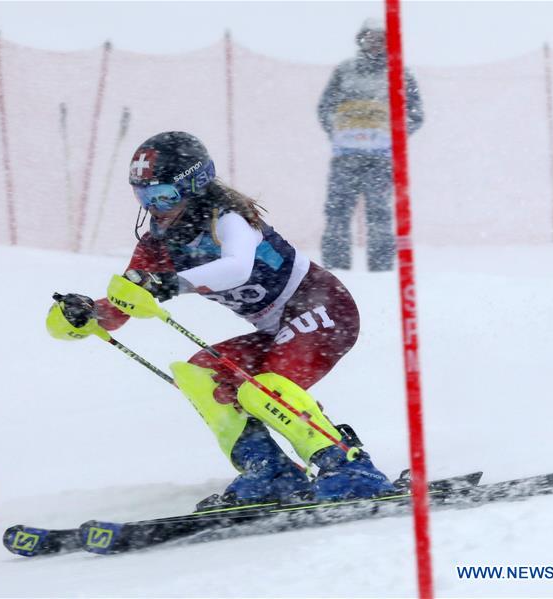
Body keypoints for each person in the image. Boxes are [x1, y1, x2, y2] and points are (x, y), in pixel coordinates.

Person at [48, 131, 394, 508]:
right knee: (200, 374)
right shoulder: (157, 244)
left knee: (261, 389)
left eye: (164, 195)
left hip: (322, 308)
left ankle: (347, 466)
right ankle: (269, 471)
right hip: (276, 327)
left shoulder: (228, 218)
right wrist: (87, 314)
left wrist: (174, 283)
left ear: (195, 186)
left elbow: (237, 268)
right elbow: (123, 306)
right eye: (144, 196)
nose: (155, 208)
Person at [317, 17, 424, 271]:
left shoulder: (399, 74)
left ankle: (381, 270)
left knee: (379, 214)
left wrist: (393, 132)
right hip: (346, 157)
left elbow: (415, 114)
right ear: (361, 39)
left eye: (382, 39)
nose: (376, 43)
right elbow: (325, 108)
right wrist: (339, 130)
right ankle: (336, 269)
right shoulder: (344, 71)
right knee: (337, 212)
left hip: (381, 159)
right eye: (371, 38)